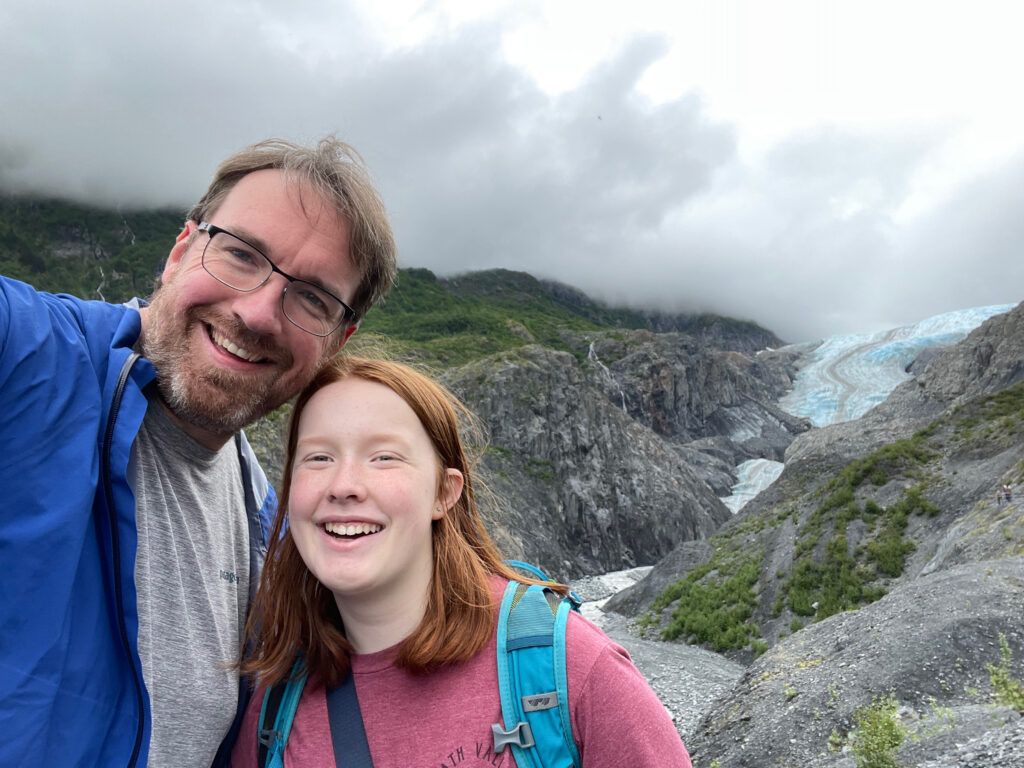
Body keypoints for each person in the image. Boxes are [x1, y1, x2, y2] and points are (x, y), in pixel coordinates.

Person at [0, 138, 397, 768]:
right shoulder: (30, 357)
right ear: (181, 248)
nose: (259, 312)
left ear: (337, 340)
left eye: (312, 299)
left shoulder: (268, 521)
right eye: (241, 255)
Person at [231, 356, 693, 767]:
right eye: (318, 457)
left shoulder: (568, 669)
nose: (344, 484)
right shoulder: (276, 706)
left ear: (443, 493)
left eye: (384, 456)